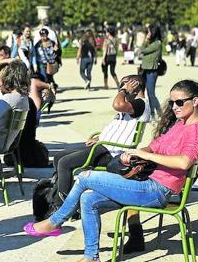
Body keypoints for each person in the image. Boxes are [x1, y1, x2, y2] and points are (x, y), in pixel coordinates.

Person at [25, 79, 198, 262]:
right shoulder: (181, 125)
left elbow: (184, 162)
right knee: (89, 198)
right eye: (172, 103)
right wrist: (135, 153)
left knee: (86, 176)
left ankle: (55, 221)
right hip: (147, 184)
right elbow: (155, 146)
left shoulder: (197, 130)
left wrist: (145, 155)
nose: (174, 107)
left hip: (156, 190)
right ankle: (91, 257)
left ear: (195, 101)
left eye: (179, 102)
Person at [53, 75, 150, 208]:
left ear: (135, 86)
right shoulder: (132, 105)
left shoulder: (141, 103)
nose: (121, 91)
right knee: (59, 156)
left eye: (124, 87)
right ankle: (59, 194)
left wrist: (124, 91)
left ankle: (61, 207)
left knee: (65, 163)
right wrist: (100, 137)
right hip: (103, 147)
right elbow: (119, 129)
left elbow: (117, 104)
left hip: (111, 153)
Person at [139, 25, 163, 119]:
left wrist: (145, 40)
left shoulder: (157, 43)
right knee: (147, 92)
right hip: (146, 69)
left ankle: (156, 113)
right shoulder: (152, 43)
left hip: (152, 70)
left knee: (151, 93)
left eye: (149, 32)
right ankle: (155, 112)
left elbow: (143, 50)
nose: (148, 34)